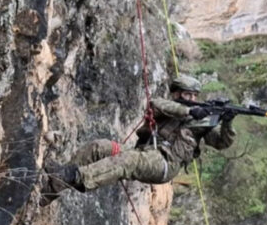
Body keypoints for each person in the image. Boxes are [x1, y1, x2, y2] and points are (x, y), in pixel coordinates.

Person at [39, 75, 236, 206]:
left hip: (164, 164)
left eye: (194, 96)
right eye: (187, 95)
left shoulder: (200, 122)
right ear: (177, 94)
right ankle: (51, 189)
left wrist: (227, 123)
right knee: (99, 147)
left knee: (128, 162)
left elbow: (221, 143)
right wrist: (189, 110)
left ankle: (72, 176)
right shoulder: (170, 106)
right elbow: (156, 104)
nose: (192, 99)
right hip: (145, 152)